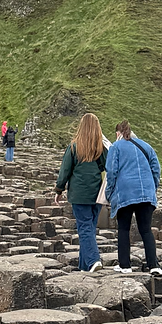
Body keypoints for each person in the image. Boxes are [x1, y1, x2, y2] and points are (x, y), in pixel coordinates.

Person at [105, 120, 161, 274]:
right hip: (146, 193)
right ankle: (154, 265)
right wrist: (152, 188)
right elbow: (156, 169)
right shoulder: (146, 146)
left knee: (123, 229)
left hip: (125, 192)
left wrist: (109, 193)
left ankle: (125, 265)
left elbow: (111, 172)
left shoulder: (115, 147)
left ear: (118, 134)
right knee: (146, 230)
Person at [55, 113, 107, 272]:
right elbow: (109, 167)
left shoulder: (74, 147)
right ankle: (84, 266)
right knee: (89, 227)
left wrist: (59, 189)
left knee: (84, 227)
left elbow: (65, 170)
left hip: (79, 193)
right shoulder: (102, 148)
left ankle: (93, 260)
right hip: (97, 194)